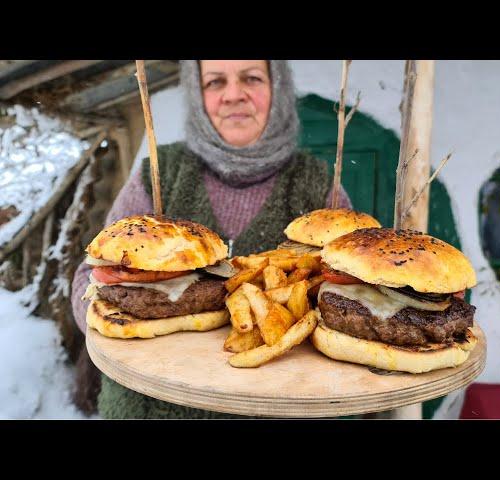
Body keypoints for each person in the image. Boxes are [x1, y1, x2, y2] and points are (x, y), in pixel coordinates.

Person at [70, 60, 352, 419]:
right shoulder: (160, 171)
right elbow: (88, 280)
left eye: (251, 78)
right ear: (197, 94)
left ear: (278, 89)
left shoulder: (318, 185)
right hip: (147, 408)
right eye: (216, 82)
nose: (233, 95)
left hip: (280, 406)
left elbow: (348, 293)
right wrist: (122, 335)